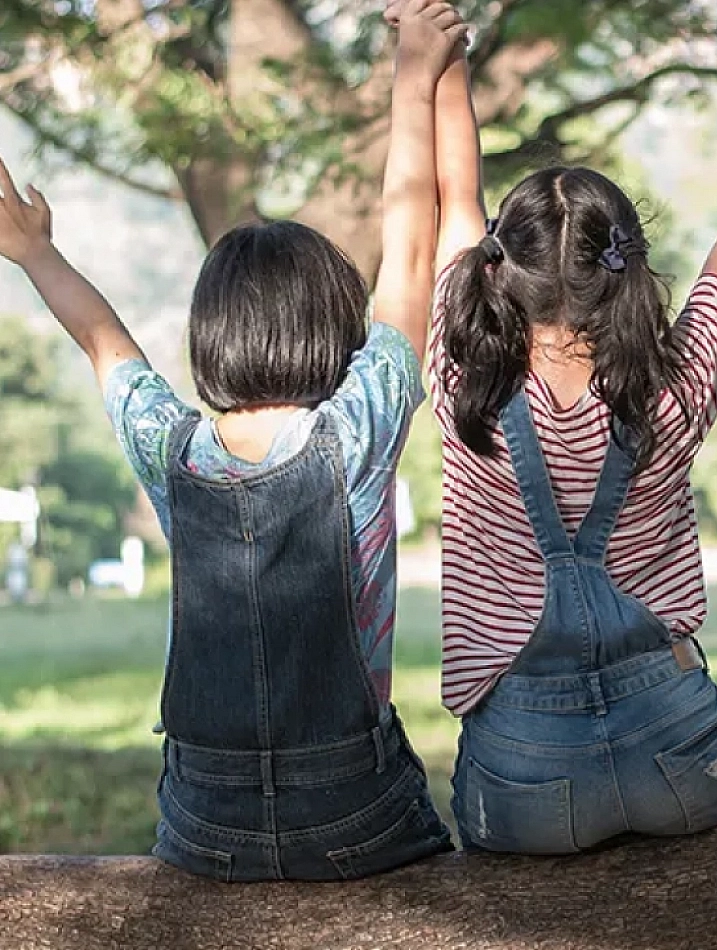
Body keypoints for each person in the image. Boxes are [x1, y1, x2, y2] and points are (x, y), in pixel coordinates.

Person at [0, 0, 467, 880]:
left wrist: (34, 254)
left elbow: (106, 343)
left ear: (211, 335)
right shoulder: (357, 432)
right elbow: (408, 255)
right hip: (353, 814)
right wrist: (415, 74)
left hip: (205, 825)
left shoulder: (174, 457)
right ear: (335, 333)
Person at [421, 10, 717, 852]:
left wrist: (440, 61)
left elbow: (454, 192)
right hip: (679, 756)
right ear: (627, 267)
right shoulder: (679, 381)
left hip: (524, 777)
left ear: (498, 272)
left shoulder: (463, 381)